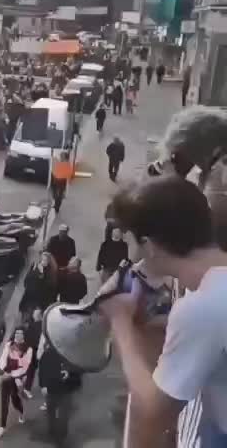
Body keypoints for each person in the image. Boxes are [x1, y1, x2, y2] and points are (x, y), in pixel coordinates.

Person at [97, 176, 227, 447]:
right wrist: (160, 324)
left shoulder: (201, 307)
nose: (132, 256)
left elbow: (153, 411)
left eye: (134, 243)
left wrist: (121, 325)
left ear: (151, 246)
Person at [37, 336, 80, 446]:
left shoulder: (71, 355)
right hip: (51, 389)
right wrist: (43, 386)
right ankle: (52, 431)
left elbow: (77, 372)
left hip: (66, 391)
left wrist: (69, 375)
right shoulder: (48, 354)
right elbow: (42, 370)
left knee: (63, 417)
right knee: (51, 413)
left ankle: (60, 438)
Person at [0, 328, 33, 439]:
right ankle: (2, 426)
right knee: (4, 401)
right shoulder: (9, 344)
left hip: (17, 377)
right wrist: (5, 369)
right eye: (16, 333)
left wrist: (12, 374)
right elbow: (2, 359)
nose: (18, 335)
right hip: (7, 374)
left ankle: (21, 413)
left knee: (15, 399)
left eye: (20, 333)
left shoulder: (28, 349)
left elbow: (24, 367)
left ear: (24, 336)